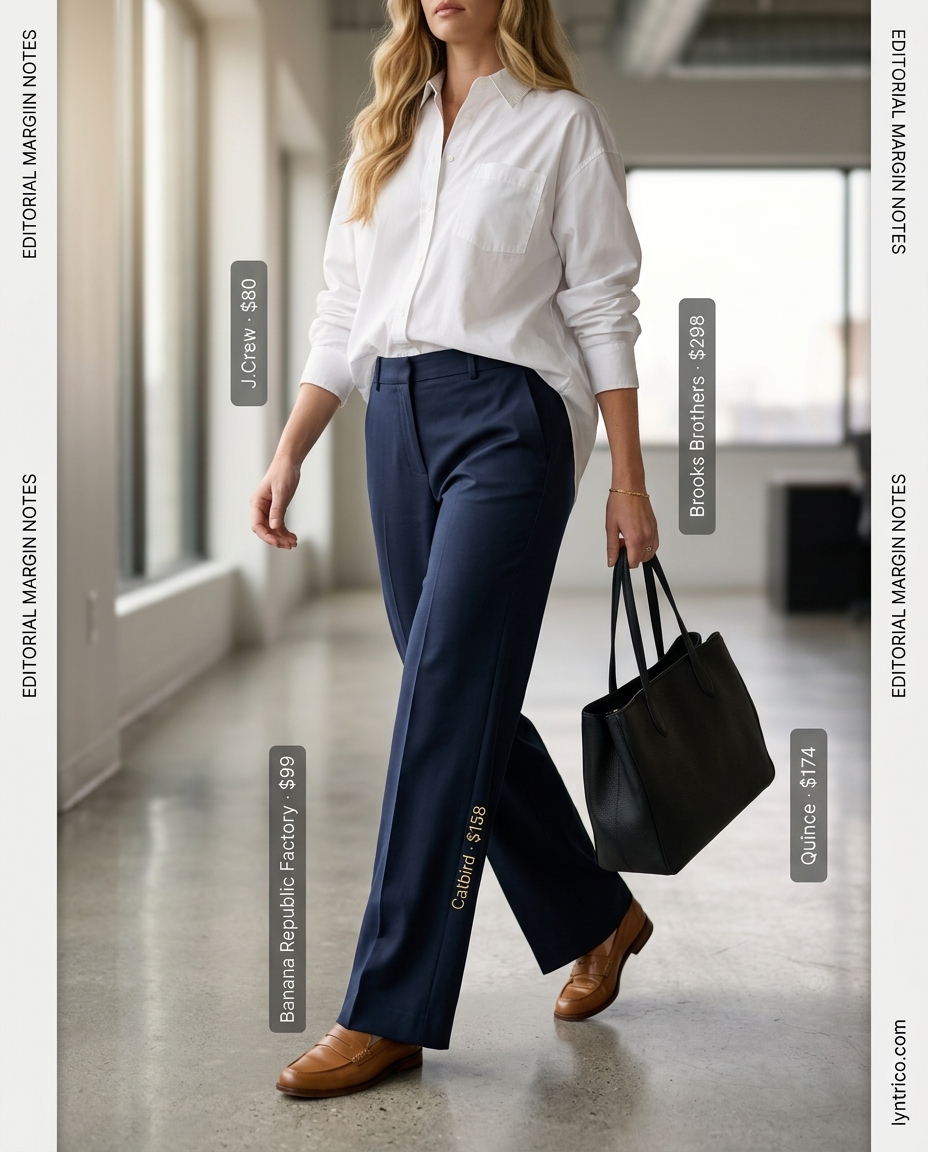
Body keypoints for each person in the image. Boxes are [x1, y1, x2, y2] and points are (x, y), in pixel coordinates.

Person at [250, 0, 659, 1099]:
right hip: (394, 415)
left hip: (511, 422)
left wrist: (626, 476)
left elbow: (602, 303)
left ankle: (387, 1007)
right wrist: (291, 446)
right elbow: (342, 307)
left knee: (437, 699)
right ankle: (595, 910)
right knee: (456, 689)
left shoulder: (560, 126)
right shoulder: (385, 127)